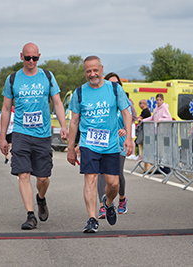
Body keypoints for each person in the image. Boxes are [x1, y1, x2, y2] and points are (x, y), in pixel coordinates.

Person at [0, 42, 68, 230]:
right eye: (27, 57)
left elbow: (57, 103)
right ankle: (30, 215)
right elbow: (6, 109)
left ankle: (41, 198)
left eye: (35, 58)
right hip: (21, 133)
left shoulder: (47, 76)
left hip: (43, 134)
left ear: (39, 57)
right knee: (23, 174)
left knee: (43, 178)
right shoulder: (13, 79)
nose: (31, 61)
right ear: (21, 56)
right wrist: (2, 136)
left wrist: (63, 126)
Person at [67, 56, 133, 233]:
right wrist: (71, 147)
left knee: (113, 184)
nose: (92, 74)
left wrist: (129, 138)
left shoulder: (114, 89)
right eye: (88, 71)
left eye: (95, 70)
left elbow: (127, 114)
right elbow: (74, 122)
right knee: (90, 178)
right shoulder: (79, 93)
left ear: (102, 69)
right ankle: (92, 218)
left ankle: (108, 202)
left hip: (111, 143)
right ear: (84, 72)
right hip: (89, 142)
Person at [96, 73, 131, 219]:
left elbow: (129, 120)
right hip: (103, 142)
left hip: (119, 143)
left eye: (116, 83)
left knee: (117, 174)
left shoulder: (124, 102)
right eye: (110, 83)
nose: (113, 86)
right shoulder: (100, 101)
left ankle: (122, 198)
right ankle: (103, 206)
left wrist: (126, 131)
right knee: (100, 174)